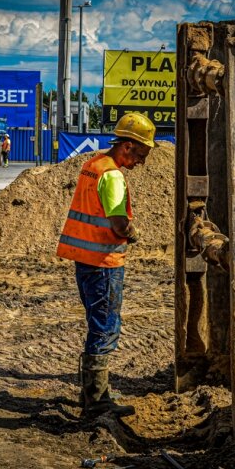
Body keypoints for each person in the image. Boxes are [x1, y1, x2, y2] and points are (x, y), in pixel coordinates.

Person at [56, 112, 157, 418]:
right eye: (140, 154)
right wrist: (131, 232)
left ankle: (91, 396)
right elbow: (117, 221)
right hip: (104, 262)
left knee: (96, 325)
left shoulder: (92, 166)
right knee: (105, 328)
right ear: (126, 146)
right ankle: (97, 403)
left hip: (86, 261)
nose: (141, 162)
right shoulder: (112, 175)